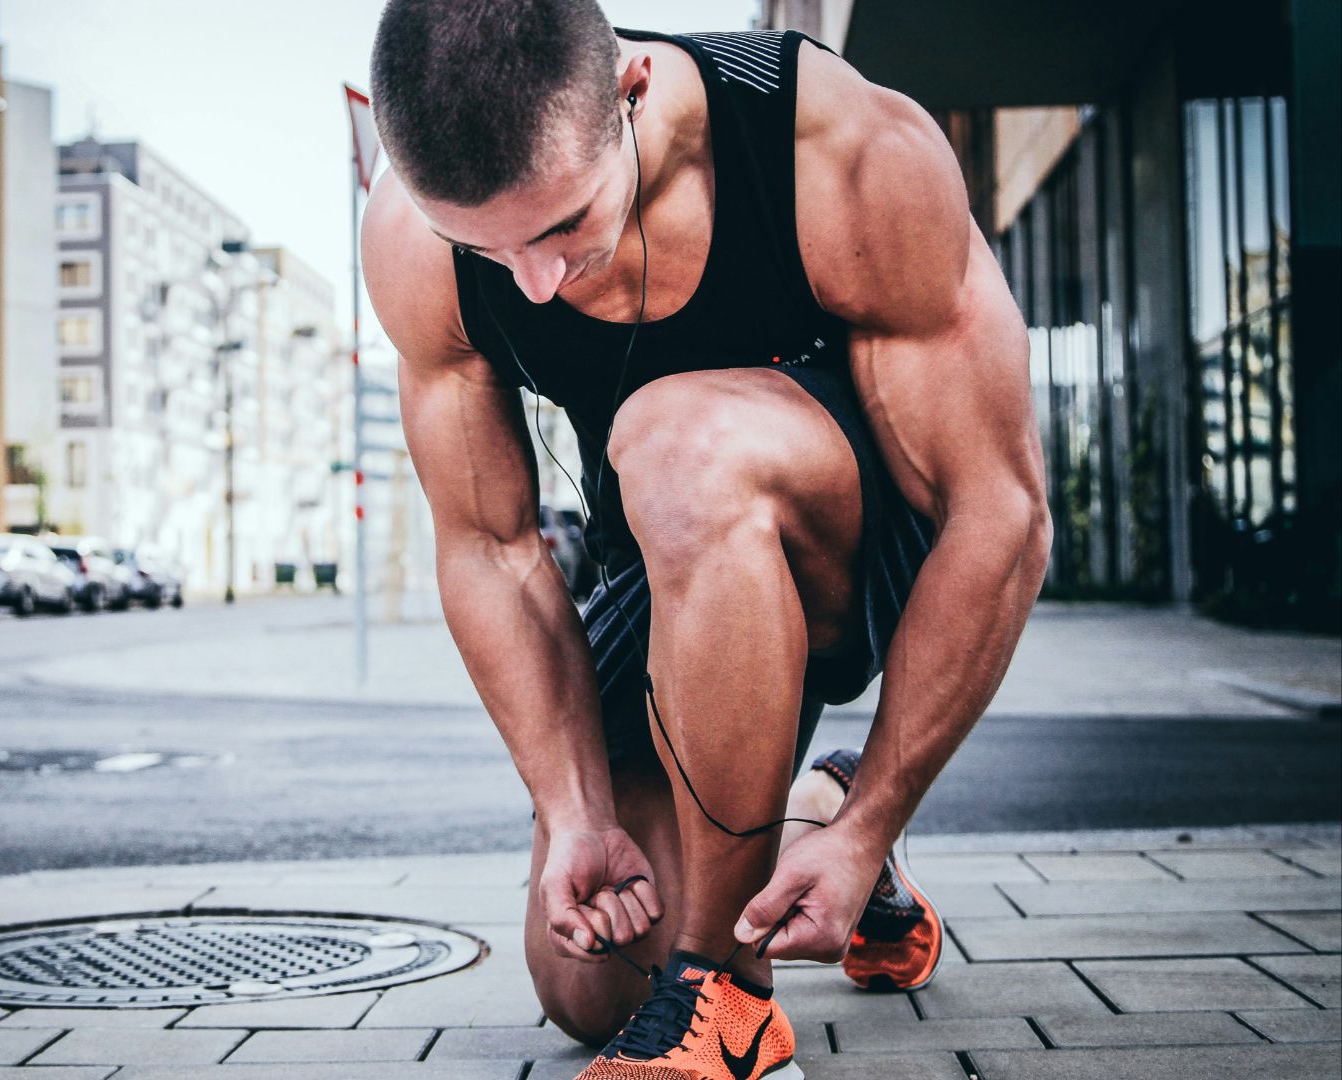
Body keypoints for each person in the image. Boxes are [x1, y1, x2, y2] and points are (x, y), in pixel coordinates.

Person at [360, 2, 1051, 1077]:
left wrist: (878, 813)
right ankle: (800, 811)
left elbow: (1000, 511)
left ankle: (730, 1000)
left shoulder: (832, 147)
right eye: (482, 247)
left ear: (631, 94)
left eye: (559, 227)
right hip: (669, 557)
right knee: (590, 980)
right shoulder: (413, 242)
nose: (532, 282)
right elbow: (491, 549)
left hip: (861, 544)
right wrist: (574, 808)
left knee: (678, 439)